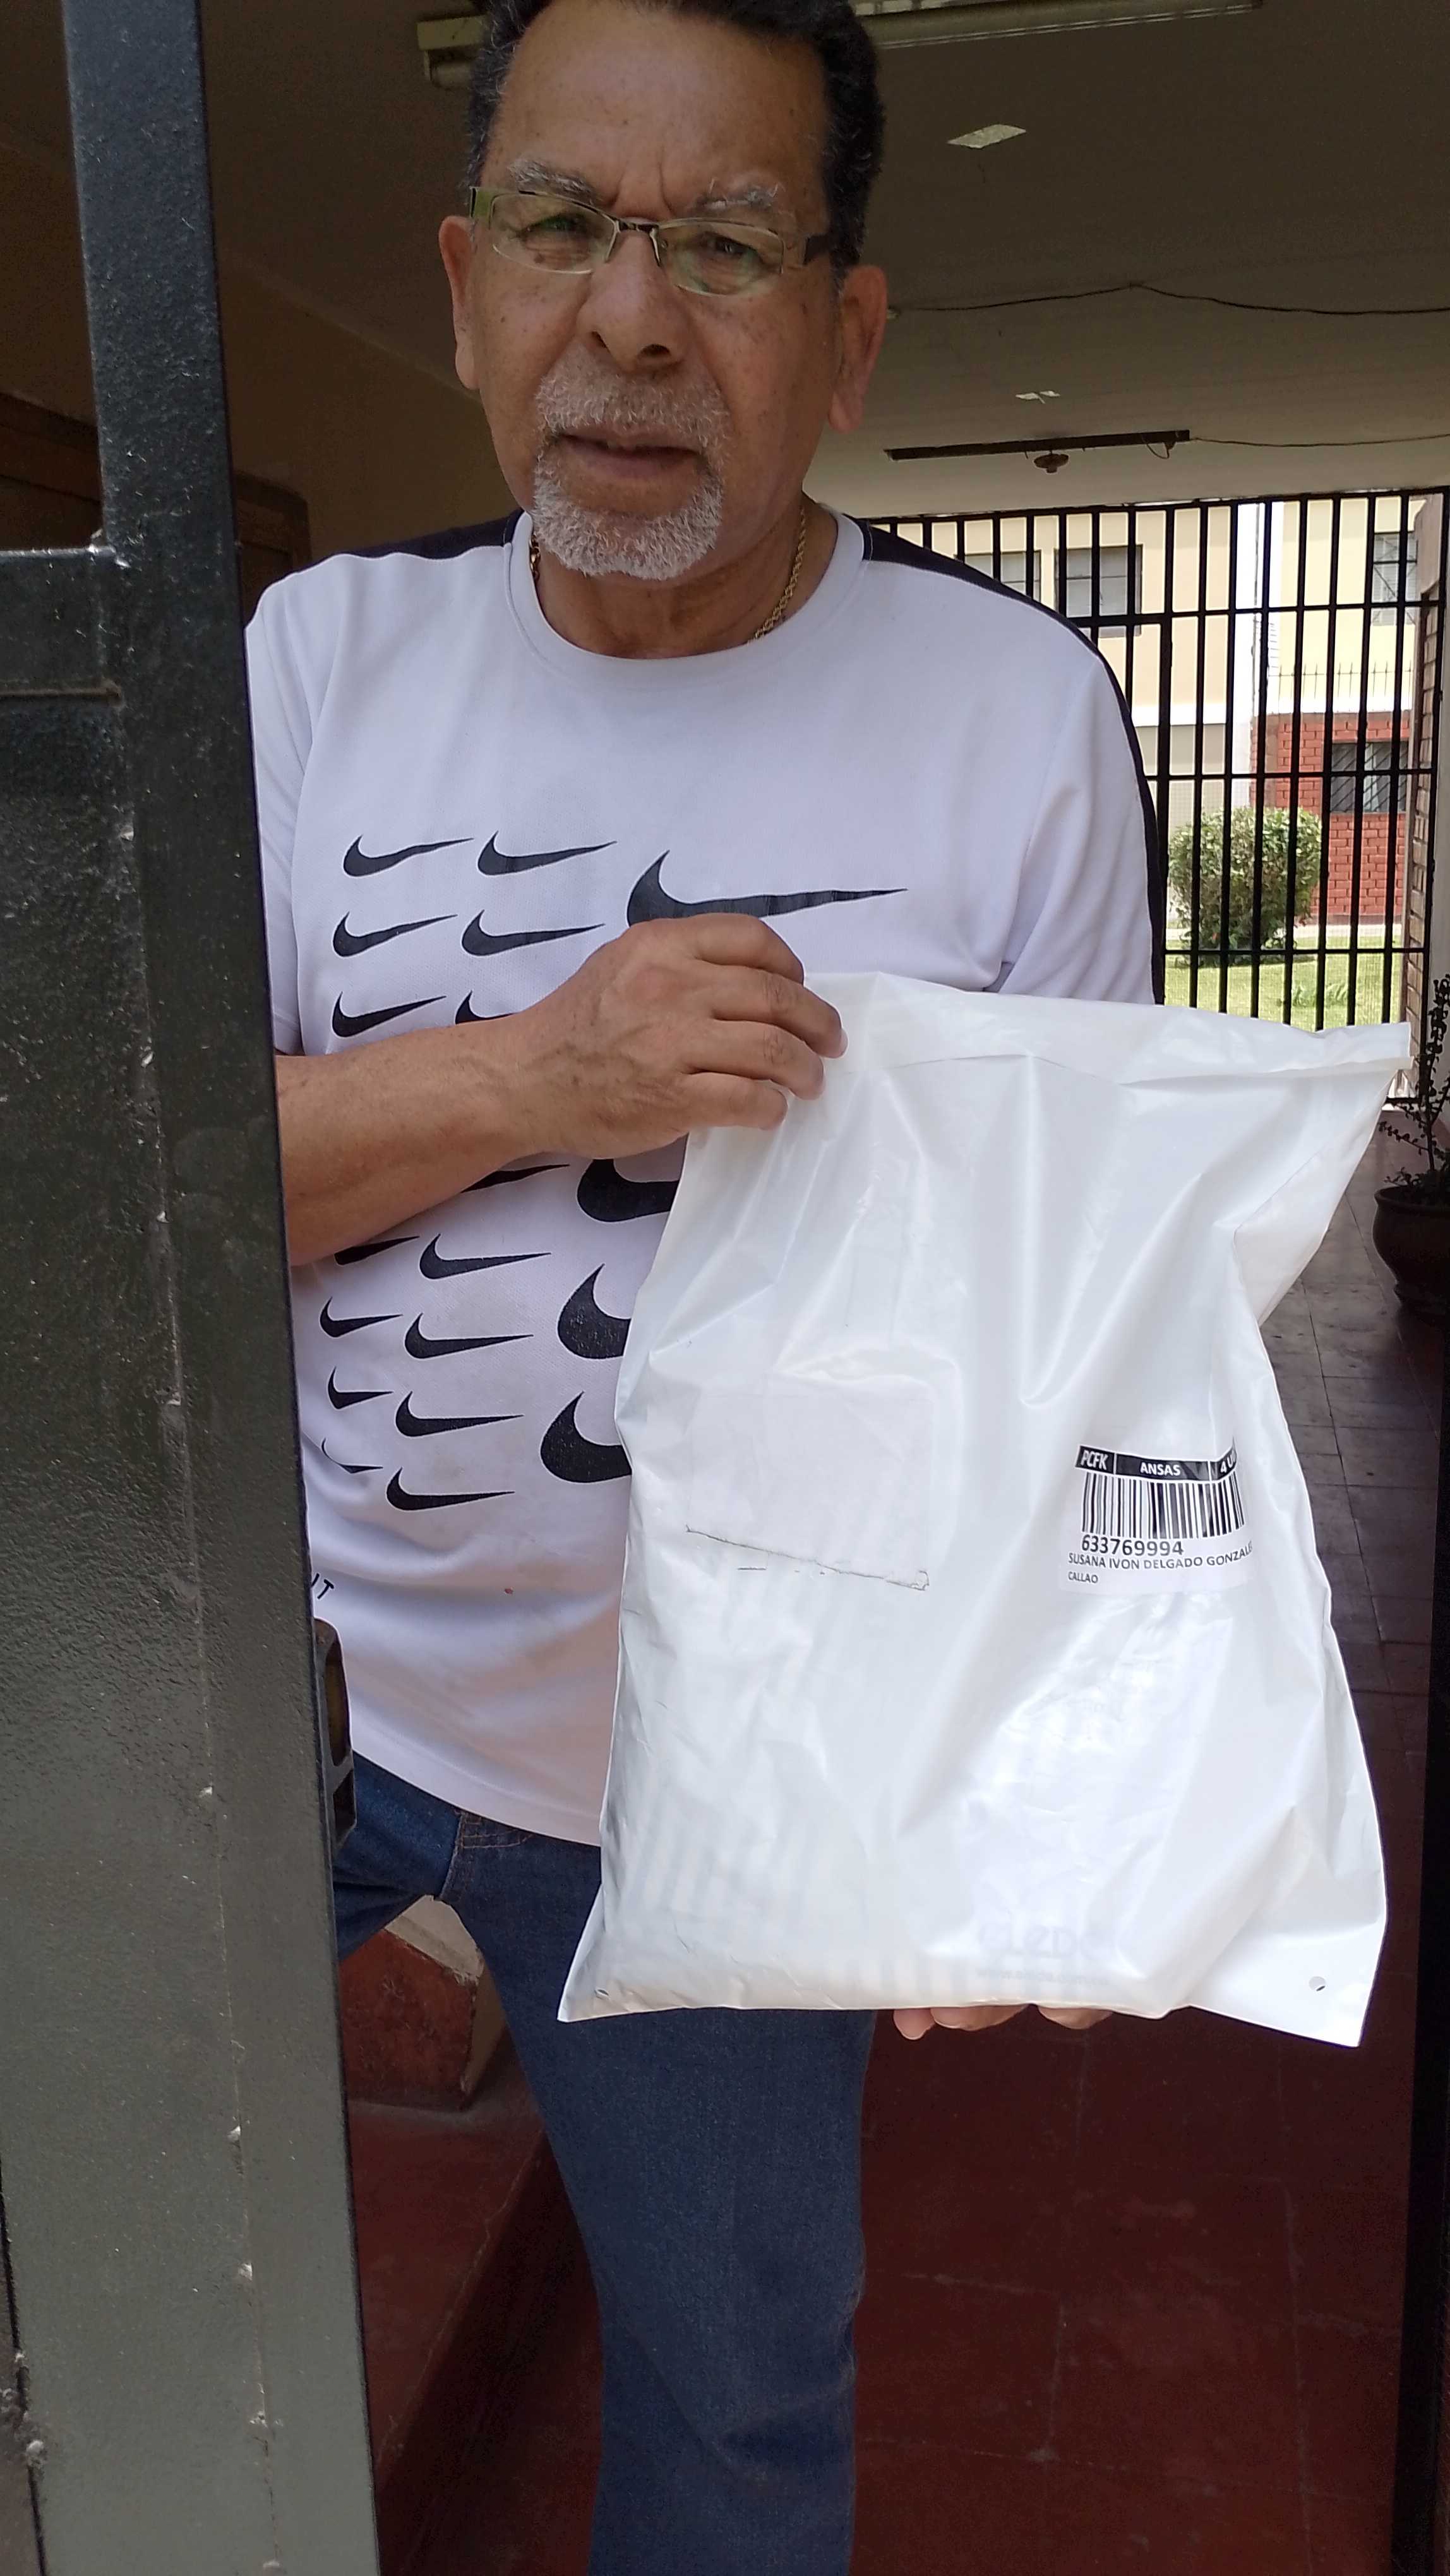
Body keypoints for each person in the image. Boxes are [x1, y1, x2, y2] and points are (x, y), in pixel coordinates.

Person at [246, 0, 1159, 2563]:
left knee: (743, 2408)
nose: (629, 321)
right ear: (465, 287)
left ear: (845, 333)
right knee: (127, 2280)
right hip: (279, 1694)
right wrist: (541, 1074)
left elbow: (1074, 1316)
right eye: (563, 227)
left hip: (721, 1780)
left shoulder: (1012, 717)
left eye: (725, 246)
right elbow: (136, 1195)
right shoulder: (317, 664)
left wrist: (1009, 1760)